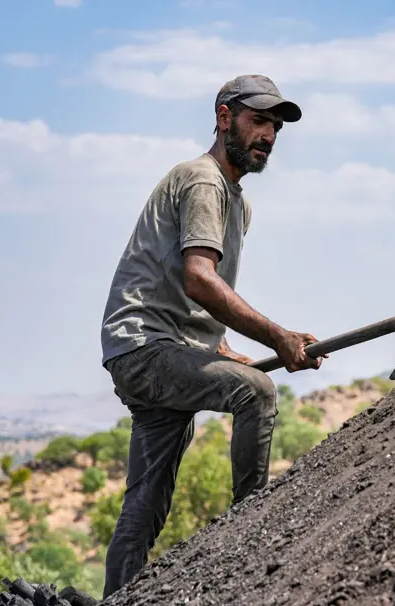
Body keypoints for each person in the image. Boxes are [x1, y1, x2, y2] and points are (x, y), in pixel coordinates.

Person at [98, 74, 326, 598]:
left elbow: (190, 294)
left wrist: (219, 348)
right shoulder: (203, 181)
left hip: (156, 348)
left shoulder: (236, 203)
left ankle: (118, 597)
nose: (267, 135)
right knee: (259, 392)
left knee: (146, 505)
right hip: (145, 347)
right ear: (225, 118)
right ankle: (253, 536)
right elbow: (199, 279)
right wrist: (277, 337)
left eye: (274, 126)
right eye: (257, 121)